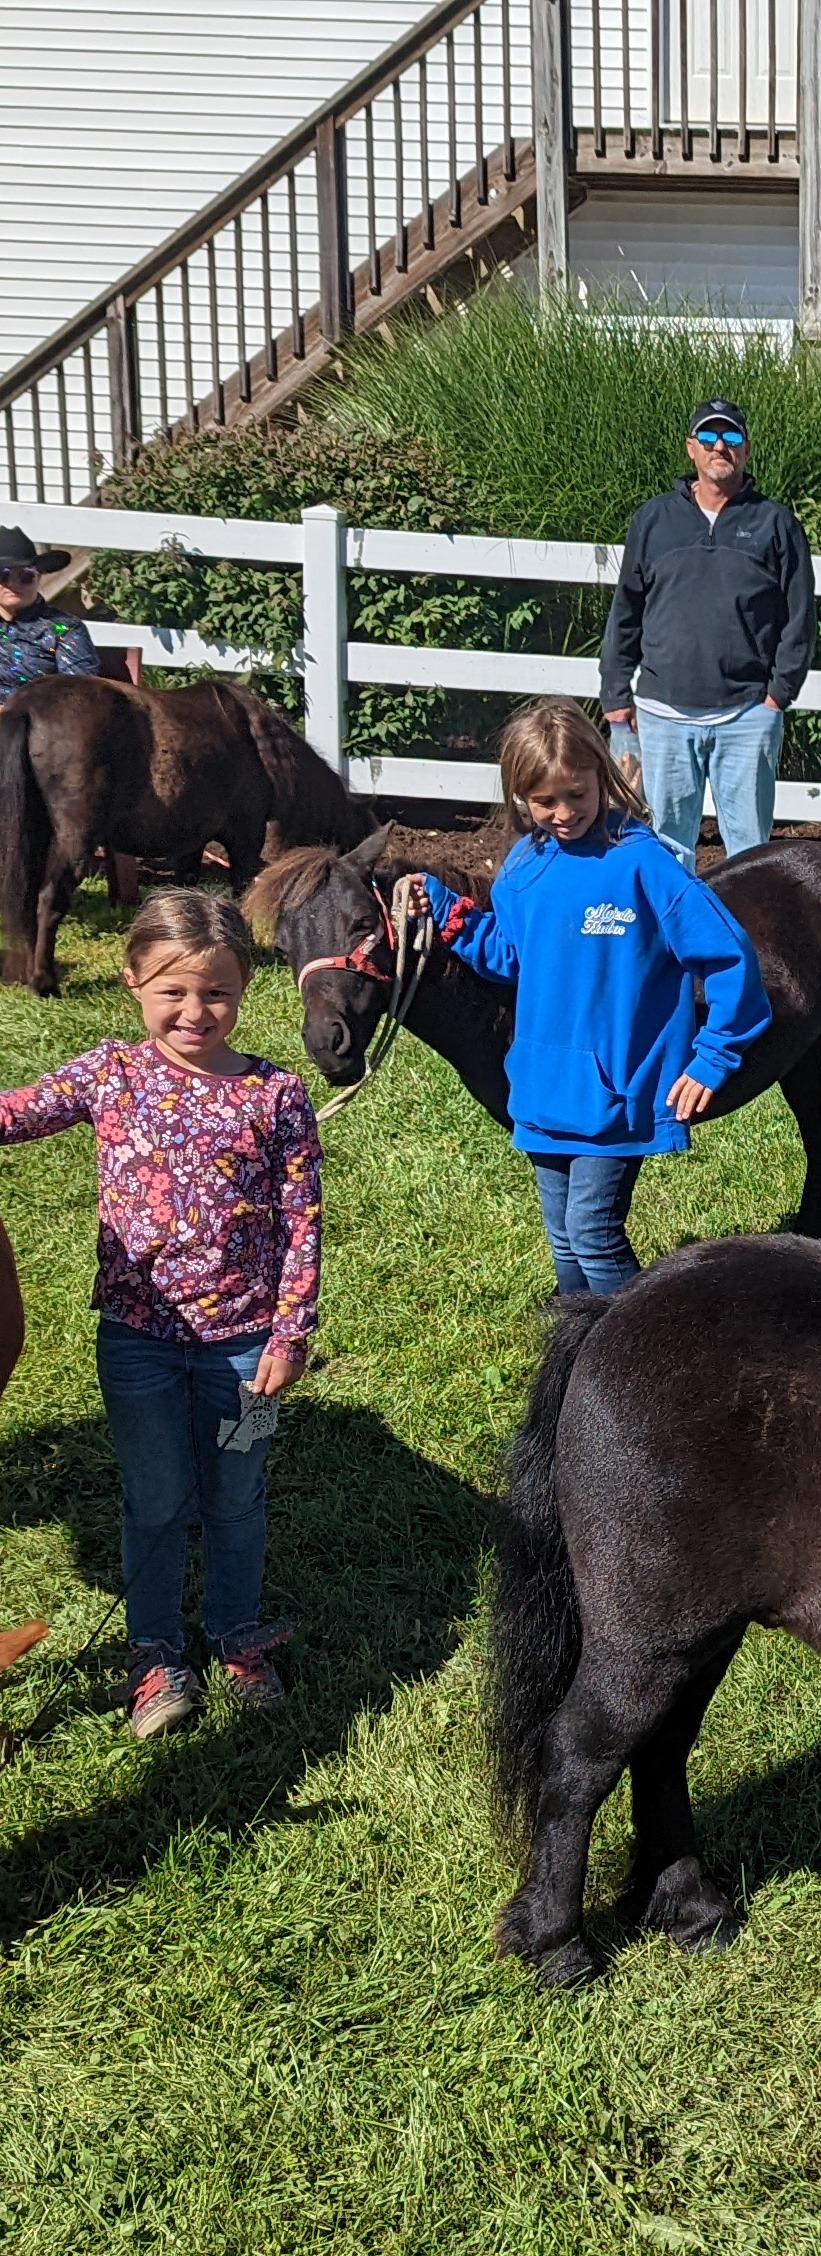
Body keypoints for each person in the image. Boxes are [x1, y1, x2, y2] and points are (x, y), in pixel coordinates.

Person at [0, 892, 319, 1739]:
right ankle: (154, 1656)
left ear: (246, 990)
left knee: (238, 1495)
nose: (195, 1011)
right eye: (173, 992)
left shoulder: (278, 1094)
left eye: (215, 992)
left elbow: (302, 1220)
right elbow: (13, 1116)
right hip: (138, 1347)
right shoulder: (109, 1073)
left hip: (248, 1353)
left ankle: (238, 1636)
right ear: (132, 983)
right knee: (155, 1501)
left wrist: (289, 1334)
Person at [409, 699, 771, 1297]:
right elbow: (512, 958)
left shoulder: (642, 862)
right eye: (544, 801)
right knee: (562, 1234)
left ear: (601, 777)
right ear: (519, 796)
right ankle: (576, 1362)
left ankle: (637, 1364)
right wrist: (451, 915)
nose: (562, 813)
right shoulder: (524, 863)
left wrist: (713, 1057)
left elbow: (731, 959)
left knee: (594, 1231)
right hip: (543, 1088)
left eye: (577, 794)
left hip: (617, 1091)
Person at [600, 398, 817, 871]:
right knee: (666, 846)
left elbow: (799, 618)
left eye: (733, 438)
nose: (722, 446)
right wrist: (616, 692)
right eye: (710, 438)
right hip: (662, 716)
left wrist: (777, 697)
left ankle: (751, 941)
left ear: (747, 450)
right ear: (692, 450)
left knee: (751, 852)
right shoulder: (654, 520)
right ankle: (674, 942)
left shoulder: (776, 524)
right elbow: (627, 610)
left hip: (746, 715)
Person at [0, 523, 98, 691]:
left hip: (36, 715)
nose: (14, 584)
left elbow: (79, 693)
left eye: (25, 576)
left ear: (39, 578)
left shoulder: (64, 629)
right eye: (3, 575)